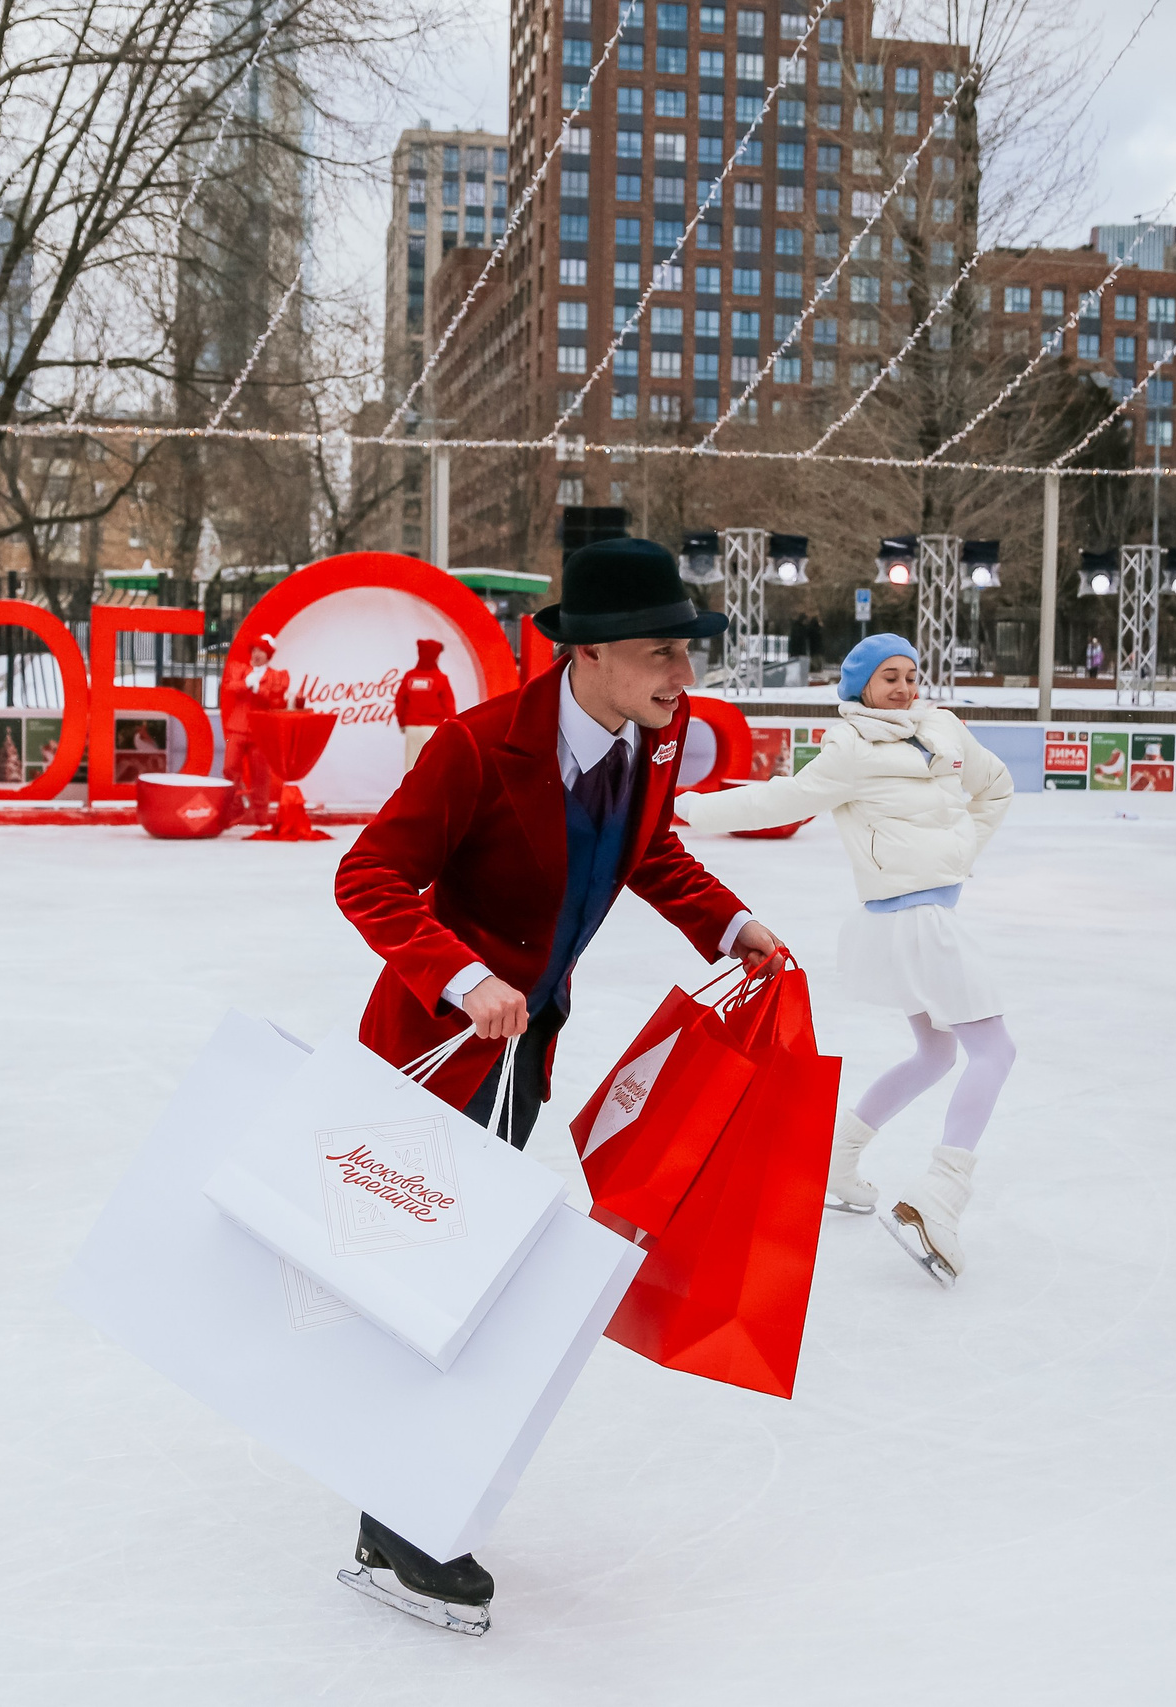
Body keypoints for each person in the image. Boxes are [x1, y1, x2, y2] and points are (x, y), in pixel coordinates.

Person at [331, 537, 784, 1635]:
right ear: (587, 654)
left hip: (522, 1061)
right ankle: (399, 1521)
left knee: (473, 1279)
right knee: (428, 1285)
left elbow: (646, 851)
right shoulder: (477, 748)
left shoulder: (653, 741)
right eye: (661, 653)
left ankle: (397, 1505)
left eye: (687, 651)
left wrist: (729, 923)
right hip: (432, 1059)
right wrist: (465, 978)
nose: (683, 675)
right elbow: (368, 875)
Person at [677, 634, 1015, 1287]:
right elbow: (775, 800)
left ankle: (836, 1156)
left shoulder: (943, 728)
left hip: (923, 914)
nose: (905, 687)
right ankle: (939, 1198)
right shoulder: (850, 749)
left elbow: (995, 787)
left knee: (936, 1054)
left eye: (911, 674)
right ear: (860, 685)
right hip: (913, 922)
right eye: (890, 676)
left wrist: (957, 850)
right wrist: (685, 805)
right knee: (995, 1052)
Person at [218, 637, 288, 822]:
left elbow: (277, 700)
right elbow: (229, 688)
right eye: (254, 650)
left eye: (261, 651)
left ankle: (260, 814)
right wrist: (246, 684)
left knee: (260, 773)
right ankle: (234, 807)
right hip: (237, 728)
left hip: (260, 731)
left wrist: (259, 690)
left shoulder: (277, 676)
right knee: (230, 768)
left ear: (268, 655)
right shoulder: (240, 670)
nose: (256, 654)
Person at [394, 637, 459, 773]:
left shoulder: (410, 676)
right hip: (432, 728)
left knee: (411, 765)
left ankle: (410, 787)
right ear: (434, 656)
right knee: (432, 765)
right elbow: (449, 705)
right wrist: (453, 726)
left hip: (412, 727)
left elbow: (400, 701)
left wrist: (402, 723)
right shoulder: (440, 678)